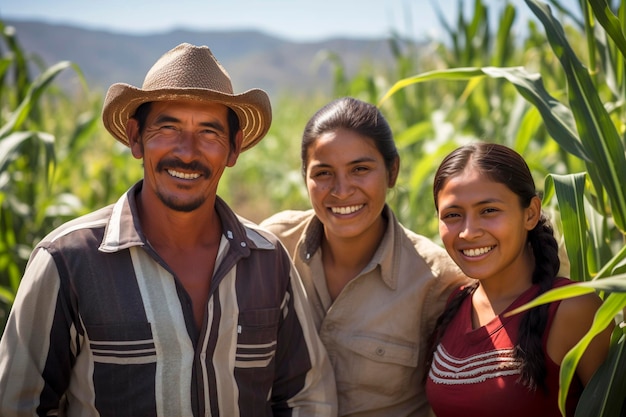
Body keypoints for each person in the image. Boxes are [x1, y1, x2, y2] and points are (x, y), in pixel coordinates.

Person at [0, 43, 337, 417]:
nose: (188, 152)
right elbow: (19, 404)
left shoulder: (268, 262)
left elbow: (306, 399)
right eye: (168, 126)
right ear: (135, 137)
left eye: (209, 133)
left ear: (234, 148)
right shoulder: (67, 261)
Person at [261, 97, 470, 417]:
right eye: (324, 173)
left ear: (392, 171)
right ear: (305, 177)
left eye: (360, 169)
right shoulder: (272, 246)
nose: (342, 190)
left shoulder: (437, 281)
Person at [426, 142, 614, 417]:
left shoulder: (572, 309)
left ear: (530, 213)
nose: (467, 232)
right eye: (453, 215)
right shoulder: (455, 302)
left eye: (488, 210)